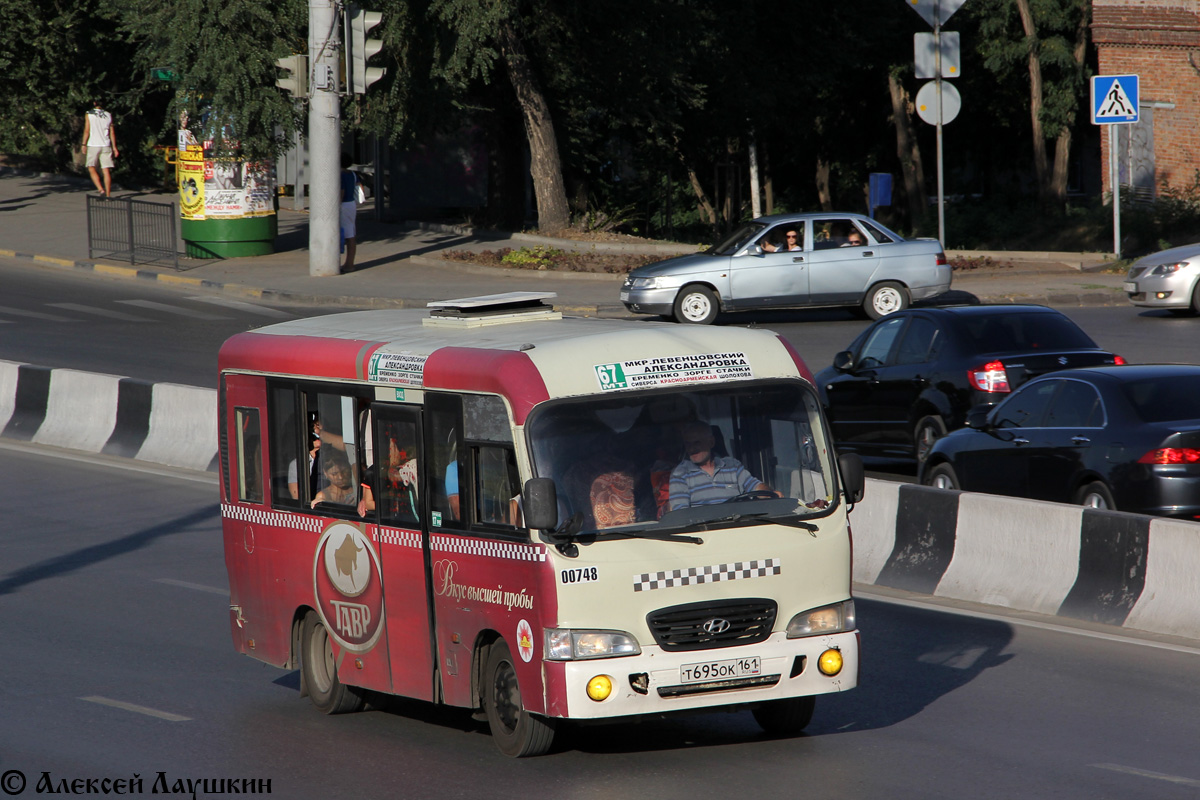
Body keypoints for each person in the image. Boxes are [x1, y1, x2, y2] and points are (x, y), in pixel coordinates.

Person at [667, 420, 774, 510]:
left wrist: (769, 494)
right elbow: (681, 514)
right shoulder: (680, 474)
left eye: (697, 443)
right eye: (688, 444)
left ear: (711, 442)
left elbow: (756, 486)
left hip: (740, 525)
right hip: (704, 531)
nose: (691, 449)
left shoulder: (732, 466)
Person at [82, 99, 118, 199]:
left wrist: (83, 144)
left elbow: (87, 130)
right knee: (106, 170)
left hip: (93, 144)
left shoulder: (89, 114)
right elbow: (112, 133)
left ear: (94, 103)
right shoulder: (108, 115)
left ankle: (101, 189)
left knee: (91, 167)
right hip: (106, 144)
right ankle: (108, 194)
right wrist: (114, 147)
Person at [339, 153, 362, 273]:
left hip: (343, 205)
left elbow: (341, 192)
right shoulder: (353, 174)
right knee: (351, 233)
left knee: (345, 234)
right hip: (351, 204)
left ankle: (348, 265)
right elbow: (359, 188)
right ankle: (350, 263)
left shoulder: (340, 175)